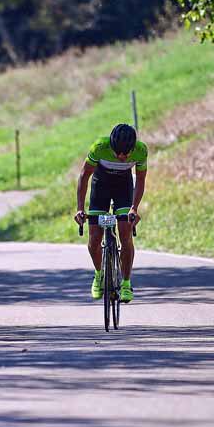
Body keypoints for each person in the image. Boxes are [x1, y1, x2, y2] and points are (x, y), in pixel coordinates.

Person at [74, 123, 147, 302]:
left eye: (126, 153)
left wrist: (134, 208)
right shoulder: (99, 147)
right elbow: (84, 177)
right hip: (101, 186)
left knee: (125, 233)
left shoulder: (141, 150)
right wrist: (80, 209)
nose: (122, 157)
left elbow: (141, 180)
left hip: (124, 187)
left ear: (132, 148)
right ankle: (99, 275)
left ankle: (126, 283)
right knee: (94, 239)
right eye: (118, 153)